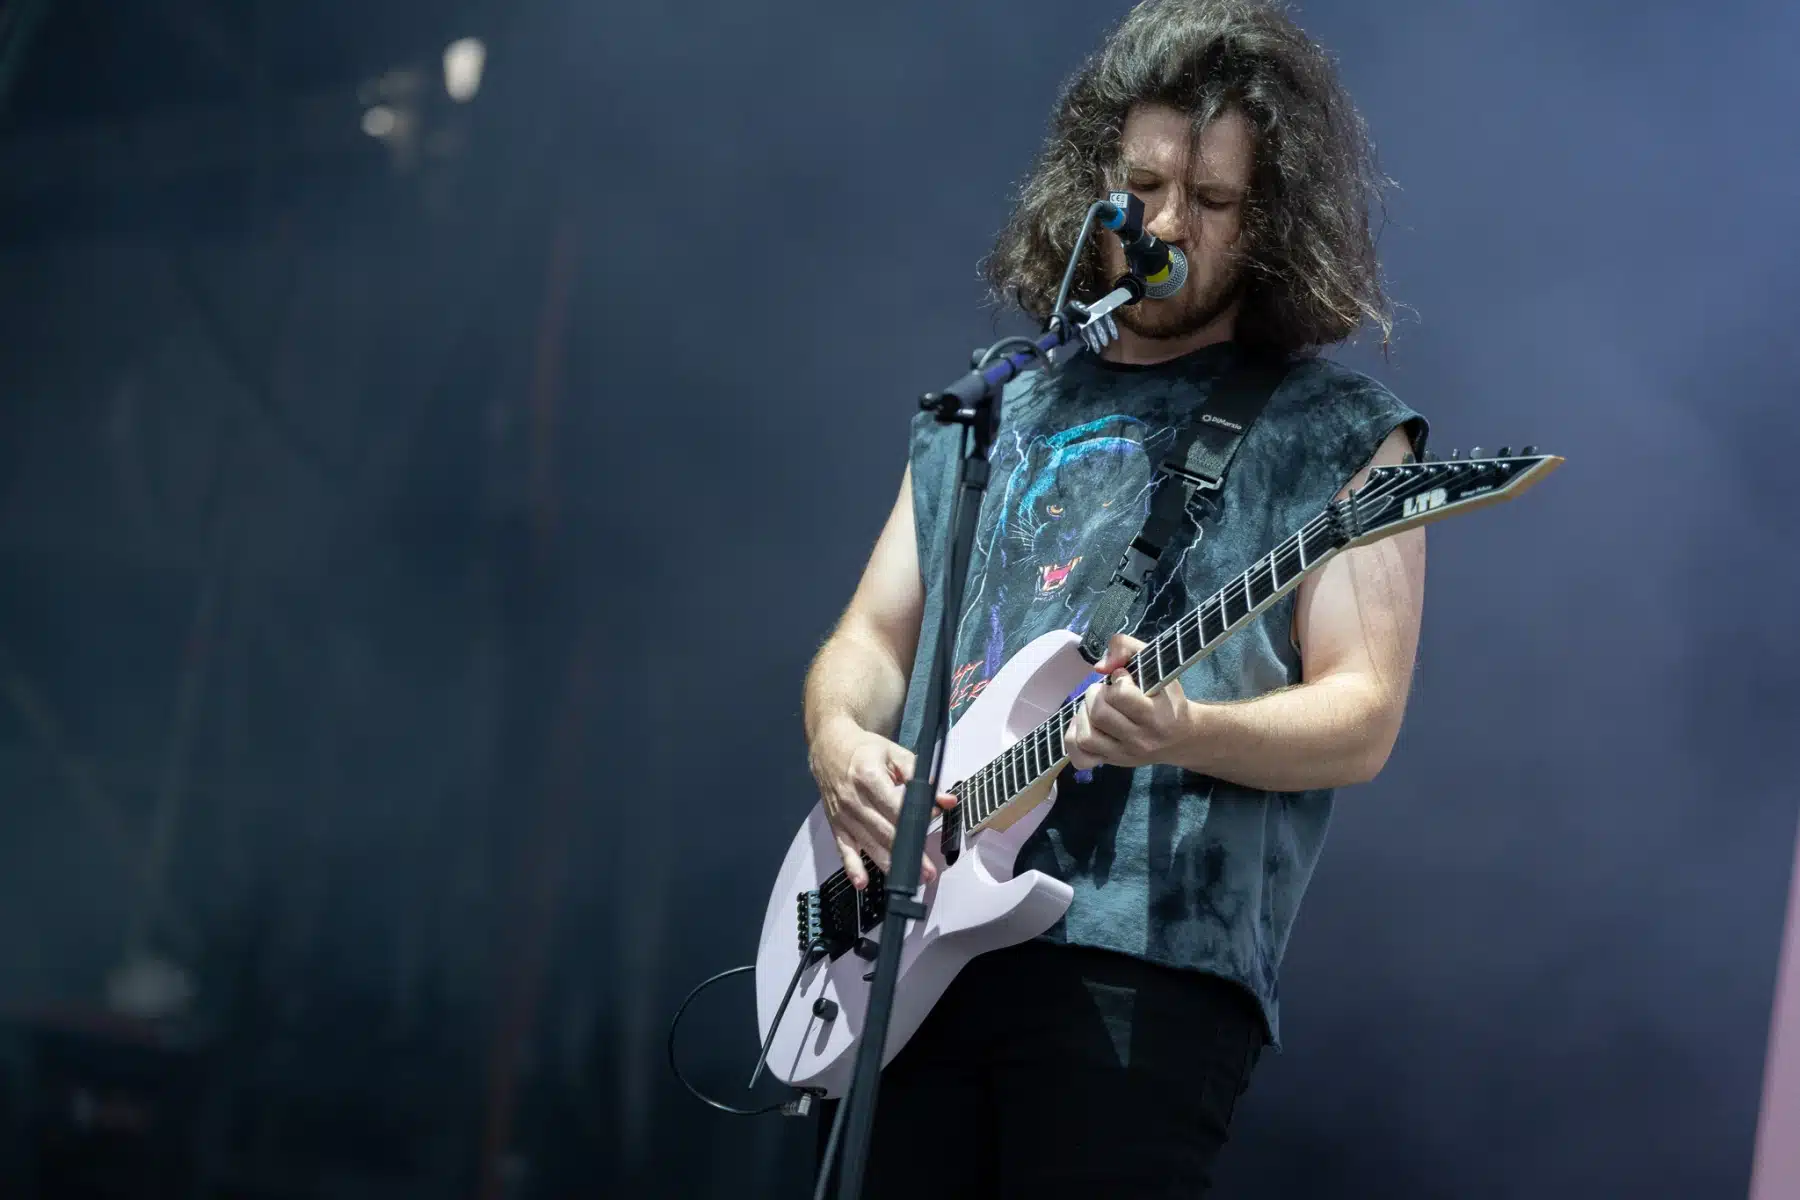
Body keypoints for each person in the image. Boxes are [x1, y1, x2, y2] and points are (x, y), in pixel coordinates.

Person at [801, 0, 1427, 1193]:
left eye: (1214, 200)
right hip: (906, 945)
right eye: (1142, 187)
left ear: (1273, 219)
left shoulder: (1337, 431)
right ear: (1094, 183)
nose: (1168, 224)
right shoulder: (992, 407)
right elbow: (871, 639)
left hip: (1141, 965)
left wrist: (1185, 729)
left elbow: (1364, 715)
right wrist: (838, 741)